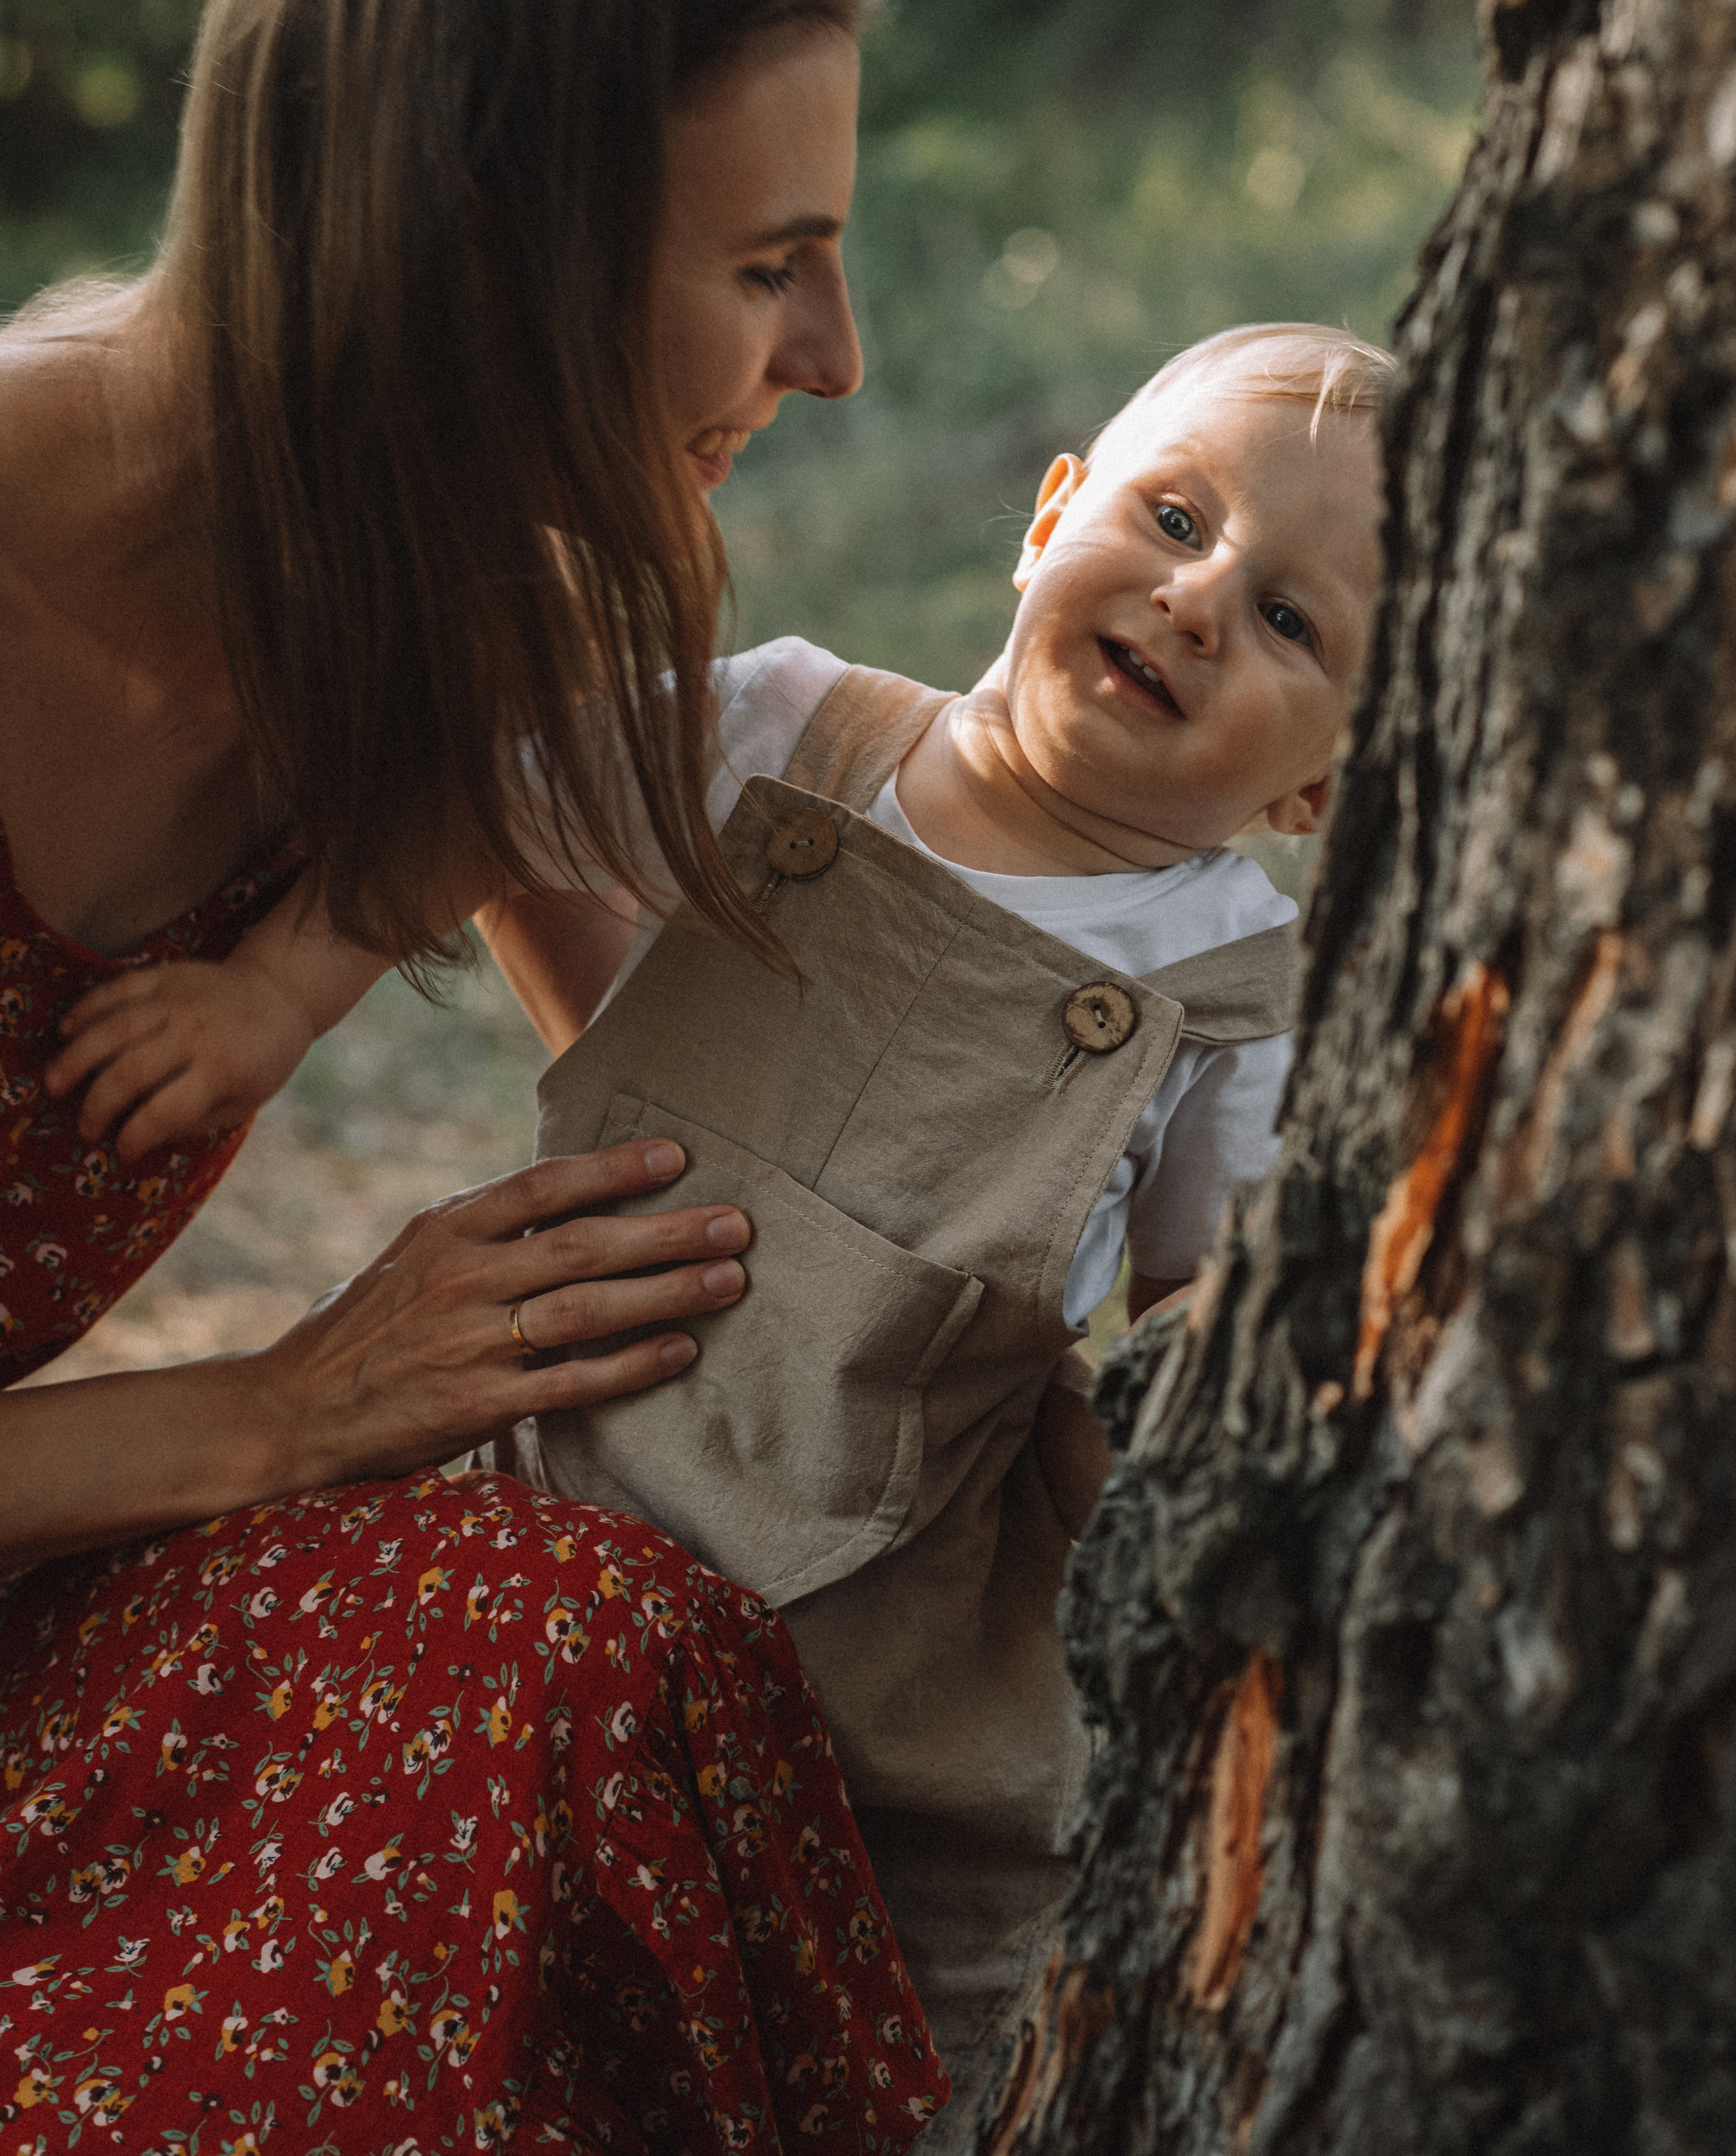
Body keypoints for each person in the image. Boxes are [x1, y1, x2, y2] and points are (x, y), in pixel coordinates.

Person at [0, 0, 949, 2151]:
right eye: (766, 265)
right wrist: (281, 1409)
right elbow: (307, 1406)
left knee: (585, 1656)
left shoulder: (437, 613)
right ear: (481, 239)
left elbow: (679, 1144)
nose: (835, 356)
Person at [486, 320, 1390, 2133]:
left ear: (1316, 789)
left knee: (863, 2023)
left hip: (872, 1647)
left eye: (1291, 621)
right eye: (1172, 513)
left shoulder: (1231, 994)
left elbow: (1206, 1321)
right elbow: (481, 804)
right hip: (550, 1470)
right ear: (1050, 521)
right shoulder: (790, 729)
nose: (1203, 599)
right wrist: (280, 1000)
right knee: (488, 1956)